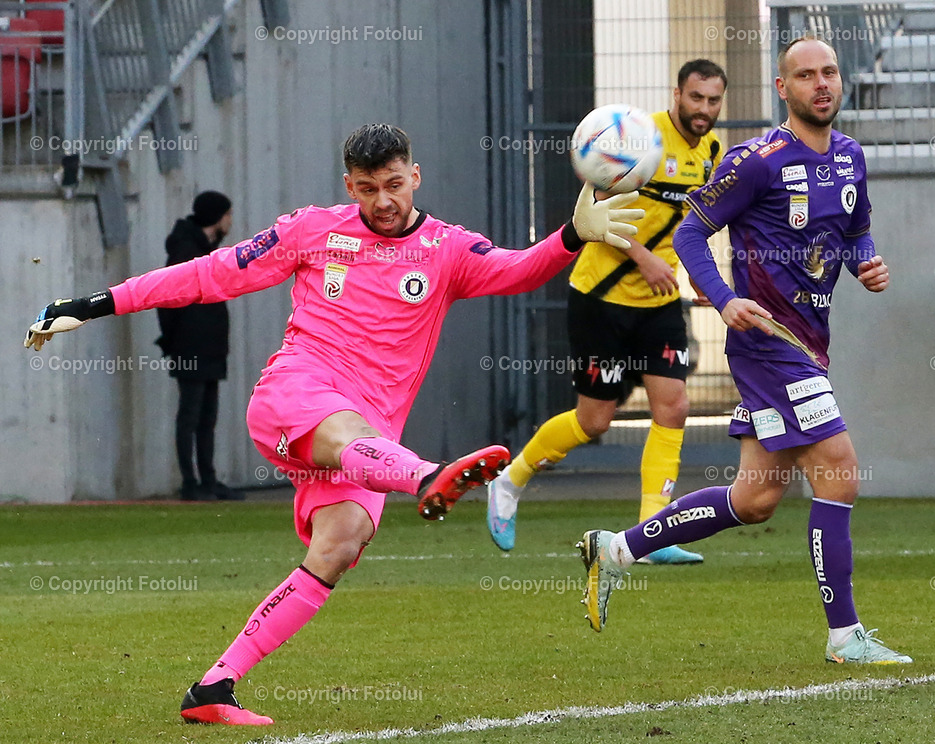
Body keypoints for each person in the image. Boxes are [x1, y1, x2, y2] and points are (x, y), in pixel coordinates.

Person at [24, 123, 643, 725]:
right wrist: (94, 303)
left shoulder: (448, 249)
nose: (384, 200)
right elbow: (208, 275)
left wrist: (570, 236)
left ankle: (213, 685)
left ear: (415, 177)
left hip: (368, 440)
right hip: (295, 399)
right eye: (369, 188)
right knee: (353, 435)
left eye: (395, 184)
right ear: (350, 185)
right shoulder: (312, 232)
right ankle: (427, 477)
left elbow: (517, 270)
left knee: (341, 539)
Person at [576, 37, 913, 665]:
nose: (821, 84)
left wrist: (865, 263)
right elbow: (692, 231)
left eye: (830, 73)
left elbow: (856, 227)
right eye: (805, 75)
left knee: (754, 500)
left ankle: (615, 549)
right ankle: (845, 636)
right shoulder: (754, 160)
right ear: (782, 89)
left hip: (810, 344)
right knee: (839, 469)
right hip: (766, 342)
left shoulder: (850, 156)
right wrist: (725, 300)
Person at [486, 60, 727, 564]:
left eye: (713, 100)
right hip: (601, 298)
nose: (704, 109)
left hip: (659, 304)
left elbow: (689, 227)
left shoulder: (711, 153)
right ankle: (509, 482)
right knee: (594, 420)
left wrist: (701, 279)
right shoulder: (637, 138)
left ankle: (651, 531)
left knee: (674, 406)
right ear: (677, 93)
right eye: (696, 98)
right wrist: (644, 259)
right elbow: (593, 218)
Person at [156, 190, 242, 501]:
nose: (231, 221)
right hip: (190, 348)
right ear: (216, 217)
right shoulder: (185, 251)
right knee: (190, 416)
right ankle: (191, 483)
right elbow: (166, 298)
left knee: (207, 417)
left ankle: (207, 479)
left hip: (209, 349)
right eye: (228, 215)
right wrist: (172, 341)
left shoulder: (206, 250)